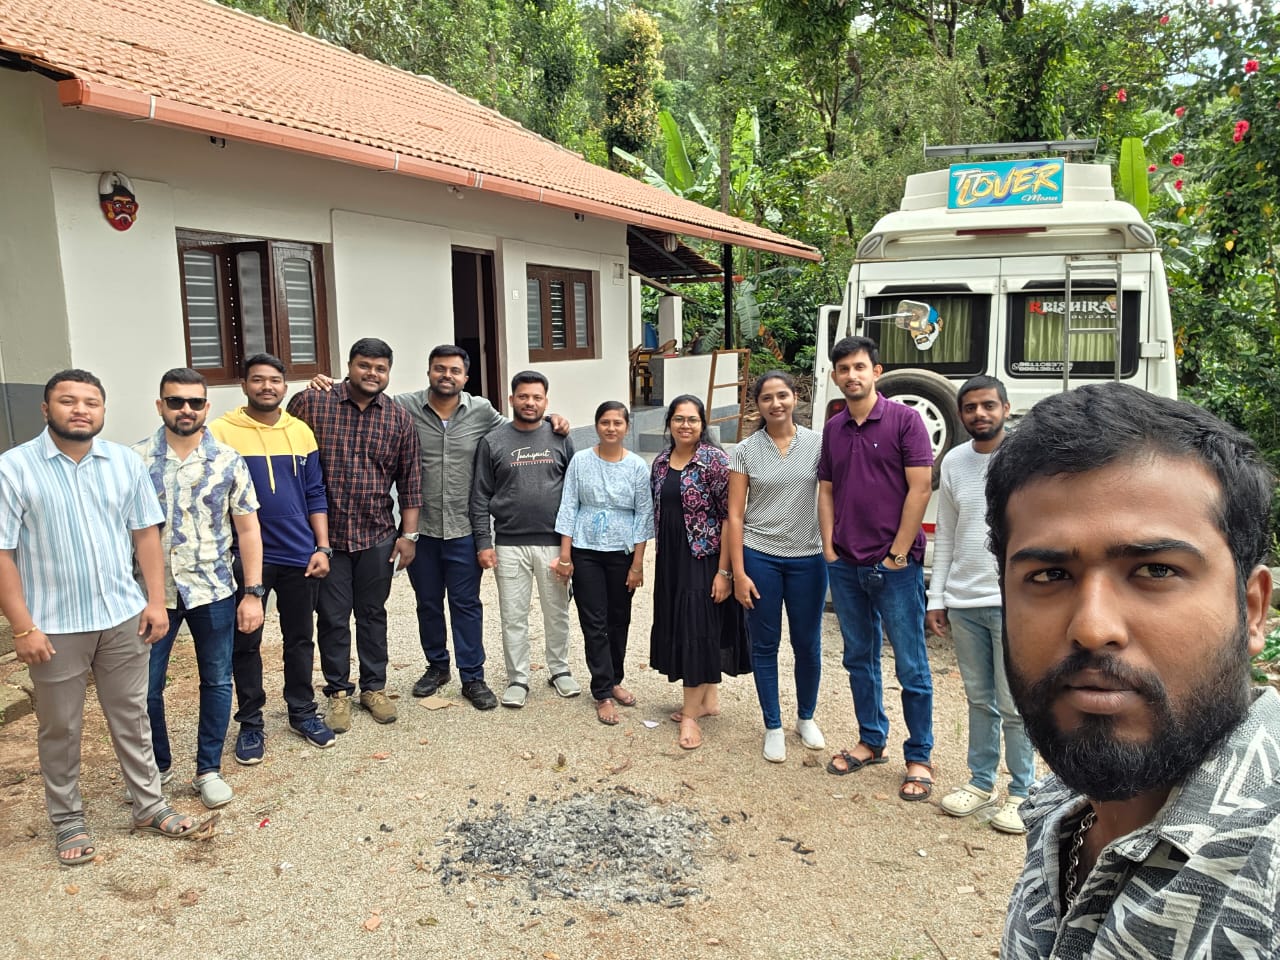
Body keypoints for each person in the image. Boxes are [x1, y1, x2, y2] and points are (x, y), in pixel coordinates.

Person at [991, 383, 1279, 958]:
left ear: (1251, 610)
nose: (1092, 627)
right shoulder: (1062, 806)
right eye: (1049, 576)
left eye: (1156, 570)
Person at [0, 370, 196, 865]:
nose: (80, 410)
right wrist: (22, 626)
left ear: (103, 410)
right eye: (68, 401)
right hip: (54, 626)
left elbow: (145, 534)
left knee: (132, 715)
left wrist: (155, 601)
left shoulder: (123, 462)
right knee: (60, 727)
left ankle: (149, 805)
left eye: (91, 402)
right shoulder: (14, 468)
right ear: (46, 409)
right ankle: (67, 819)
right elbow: (2, 552)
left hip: (122, 615)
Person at [394, 345, 569, 711]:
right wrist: (329, 384)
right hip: (422, 528)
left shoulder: (482, 411)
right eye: (440, 368)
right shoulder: (404, 407)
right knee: (428, 603)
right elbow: (369, 394)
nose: (447, 375)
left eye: (454, 370)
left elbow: (522, 425)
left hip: (462, 529)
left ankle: (472, 677)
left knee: (467, 605)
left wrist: (553, 419)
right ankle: (437, 666)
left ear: (465, 377)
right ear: (429, 372)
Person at [133, 368, 264, 809]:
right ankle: (157, 767)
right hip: (153, 596)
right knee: (145, 688)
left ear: (206, 407)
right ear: (160, 406)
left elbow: (248, 530)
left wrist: (253, 592)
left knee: (217, 679)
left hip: (213, 590)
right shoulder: (134, 461)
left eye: (194, 402)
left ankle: (208, 769)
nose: (185, 410)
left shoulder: (228, 460)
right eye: (175, 401)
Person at [818, 336, 935, 801]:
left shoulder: (906, 421)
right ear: (835, 376)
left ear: (876, 371)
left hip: (896, 567)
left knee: (911, 664)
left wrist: (898, 554)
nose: (852, 375)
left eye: (860, 367)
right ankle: (871, 740)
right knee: (858, 658)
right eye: (844, 368)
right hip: (846, 564)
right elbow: (827, 489)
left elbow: (920, 489)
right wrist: (829, 547)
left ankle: (919, 756)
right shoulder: (834, 428)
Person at [288, 338, 422, 728]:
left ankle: (373, 687)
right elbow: (283, 443)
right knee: (332, 617)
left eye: (380, 368)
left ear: (389, 373)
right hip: (326, 539)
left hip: (376, 535)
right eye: (364, 365)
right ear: (349, 366)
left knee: (372, 614)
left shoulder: (398, 418)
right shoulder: (312, 403)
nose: (372, 374)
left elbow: (411, 480)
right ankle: (338, 693)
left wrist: (408, 536)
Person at [209, 354, 335, 761]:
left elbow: (315, 492)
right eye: (258, 379)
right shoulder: (220, 432)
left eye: (275, 380)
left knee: (300, 638)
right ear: (244, 385)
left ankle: (302, 711)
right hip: (247, 556)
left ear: (285, 386)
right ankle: (251, 722)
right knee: (246, 642)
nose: (267, 387)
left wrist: (322, 546)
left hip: (300, 553)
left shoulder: (300, 431)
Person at [927, 375, 1036, 834]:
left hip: (1014, 602)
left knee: (1014, 704)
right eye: (970, 407)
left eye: (989, 405)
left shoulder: (1026, 459)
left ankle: (1023, 793)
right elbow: (948, 532)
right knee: (979, 699)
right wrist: (938, 597)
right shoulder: (954, 460)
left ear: (1006, 409)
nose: (980, 414)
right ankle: (980, 782)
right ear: (961, 414)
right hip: (965, 599)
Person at [724, 371, 827, 764]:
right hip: (760, 555)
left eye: (782, 395)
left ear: (795, 397)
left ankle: (806, 717)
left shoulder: (818, 444)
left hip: (808, 557)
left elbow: (830, 497)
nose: (776, 404)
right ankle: (773, 725)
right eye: (766, 398)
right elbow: (735, 515)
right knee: (765, 644)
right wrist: (737, 573)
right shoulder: (745, 450)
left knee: (807, 643)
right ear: (757, 405)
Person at [470, 370, 580, 708]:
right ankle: (518, 677)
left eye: (536, 397)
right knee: (513, 615)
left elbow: (575, 493)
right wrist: (483, 542)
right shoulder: (493, 441)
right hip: (508, 544)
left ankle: (559, 670)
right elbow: (479, 496)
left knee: (556, 612)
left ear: (546, 401)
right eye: (523, 396)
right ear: (511, 399)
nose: (529, 402)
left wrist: (571, 548)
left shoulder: (560, 437)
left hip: (553, 543)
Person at [649, 395, 750, 751]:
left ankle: (691, 715)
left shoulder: (714, 461)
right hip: (671, 558)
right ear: (669, 423)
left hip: (703, 557)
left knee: (696, 628)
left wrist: (725, 572)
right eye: (679, 419)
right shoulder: (661, 462)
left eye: (692, 419)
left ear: (703, 424)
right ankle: (708, 701)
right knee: (689, 625)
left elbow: (730, 517)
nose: (685, 425)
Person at [554, 401, 653, 726]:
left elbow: (644, 515)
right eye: (605, 422)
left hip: (622, 552)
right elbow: (569, 506)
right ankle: (602, 691)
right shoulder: (581, 461)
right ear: (597, 425)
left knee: (619, 619)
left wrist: (637, 564)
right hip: (585, 550)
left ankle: (615, 679)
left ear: (627, 427)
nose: (611, 428)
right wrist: (565, 555)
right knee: (594, 622)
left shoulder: (637, 466)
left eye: (617, 423)